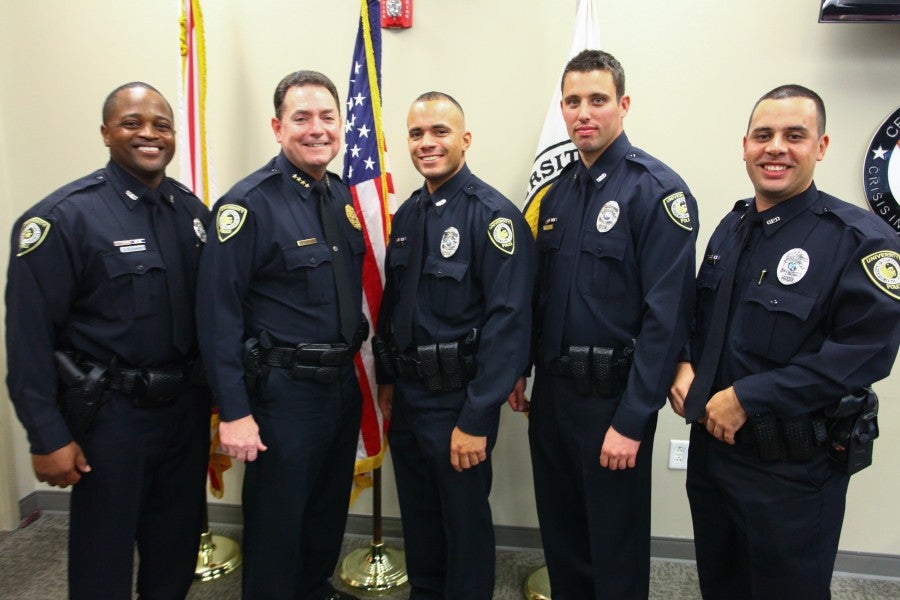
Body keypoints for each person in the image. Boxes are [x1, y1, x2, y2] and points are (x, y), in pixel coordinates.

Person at [669, 85, 900, 599]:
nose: (776, 147)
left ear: (820, 146)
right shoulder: (731, 229)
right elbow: (699, 319)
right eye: (763, 135)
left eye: (794, 136)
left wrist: (750, 397)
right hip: (714, 458)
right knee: (721, 584)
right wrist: (683, 364)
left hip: (791, 471)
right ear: (745, 145)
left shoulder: (860, 240)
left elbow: (863, 354)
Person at [5, 82, 211, 599]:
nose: (149, 134)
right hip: (111, 419)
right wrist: (46, 435)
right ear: (105, 133)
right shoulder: (63, 219)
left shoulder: (190, 211)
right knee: (104, 560)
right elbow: (28, 339)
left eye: (161, 125)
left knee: (176, 550)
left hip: (184, 413)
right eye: (132, 123)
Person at [508, 50, 699, 598]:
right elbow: (538, 296)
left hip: (613, 402)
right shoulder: (557, 193)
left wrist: (633, 420)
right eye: (572, 101)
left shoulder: (656, 192)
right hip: (555, 400)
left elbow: (667, 318)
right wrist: (521, 366)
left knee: (613, 550)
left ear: (624, 104)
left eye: (597, 99)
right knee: (564, 542)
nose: (583, 113)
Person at [196, 70, 365, 600]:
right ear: (277, 127)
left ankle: (314, 590)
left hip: (339, 388)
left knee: (325, 513)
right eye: (301, 118)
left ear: (341, 124)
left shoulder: (338, 197)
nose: (317, 129)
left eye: (327, 117)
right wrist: (235, 411)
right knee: (276, 525)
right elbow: (216, 315)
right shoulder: (247, 205)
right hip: (281, 395)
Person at [374, 91, 536, 598]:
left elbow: (509, 324)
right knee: (419, 519)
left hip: (458, 402)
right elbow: (393, 308)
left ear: (464, 139)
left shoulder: (493, 217)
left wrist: (476, 418)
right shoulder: (409, 216)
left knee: (463, 525)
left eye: (440, 132)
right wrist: (387, 379)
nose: (427, 143)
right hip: (409, 397)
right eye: (417, 133)